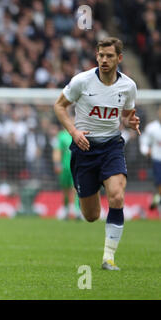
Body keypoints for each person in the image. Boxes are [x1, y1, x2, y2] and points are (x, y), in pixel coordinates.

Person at [53, 37, 140, 271]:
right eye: (101, 55)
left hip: (112, 146)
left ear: (119, 59)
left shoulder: (128, 86)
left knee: (117, 196)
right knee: (91, 215)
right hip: (84, 149)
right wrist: (74, 132)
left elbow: (127, 114)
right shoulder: (82, 81)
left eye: (109, 56)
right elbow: (59, 106)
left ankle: (108, 258)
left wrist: (130, 121)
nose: (103, 60)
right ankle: (88, 191)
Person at [52, 127, 81, 220]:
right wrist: (57, 164)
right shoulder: (62, 135)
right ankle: (66, 208)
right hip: (64, 167)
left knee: (75, 188)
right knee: (65, 189)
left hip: (76, 166)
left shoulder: (79, 134)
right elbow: (57, 150)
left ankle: (77, 210)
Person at [139, 106, 161, 214]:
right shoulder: (152, 128)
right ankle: (158, 198)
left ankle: (157, 198)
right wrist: (146, 150)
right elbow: (144, 141)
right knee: (159, 184)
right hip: (158, 160)